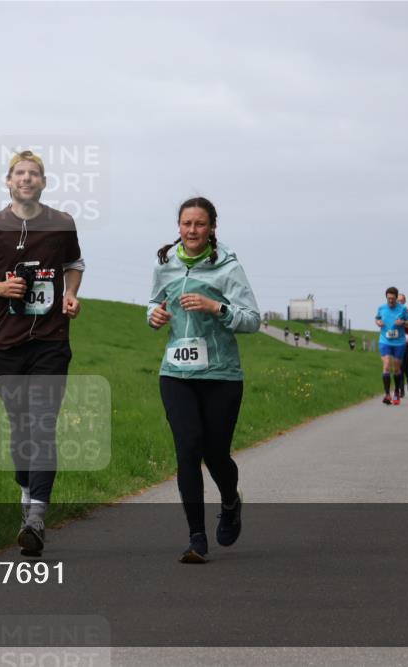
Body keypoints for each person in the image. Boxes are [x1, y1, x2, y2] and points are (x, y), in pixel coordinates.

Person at [0, 150, 84, 558]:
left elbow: (75, 263)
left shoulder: (62, 224)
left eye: (34, 174)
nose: (26, 179)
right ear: (8, 182)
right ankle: (27, 496)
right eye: (19, 174)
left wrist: (71, 294)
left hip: (50, 343)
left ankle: (36, 518)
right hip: (6, 346)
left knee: (43, 426)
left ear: (44, 183)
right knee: (21, 430)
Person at [147, 196, 261, 564]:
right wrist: (155, 316)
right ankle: (196, 538)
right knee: (187, 449)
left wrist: (217, 308)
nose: (192, 230)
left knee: (215, 454)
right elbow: (153, 303)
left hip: (221, 374)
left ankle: (230, 502)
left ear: (212, 227)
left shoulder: (228, 267)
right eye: (186, 224)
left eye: (199, 224)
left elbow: (252, 319)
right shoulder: (164, 262)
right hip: (176, 373)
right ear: (178, 227)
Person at [374, 287, 408, 405]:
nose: (391, 301)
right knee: (386, 365)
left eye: (393, 298)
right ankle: (387, 395)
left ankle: (396, 392)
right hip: (385, 341)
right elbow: (377, 318)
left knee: (397, 369)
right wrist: (378, 322)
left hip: (399, 342)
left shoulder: (403, 309)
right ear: (386, 297)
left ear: (396, 297)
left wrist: (403, 323)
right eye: (389, 298)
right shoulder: (381, 308)